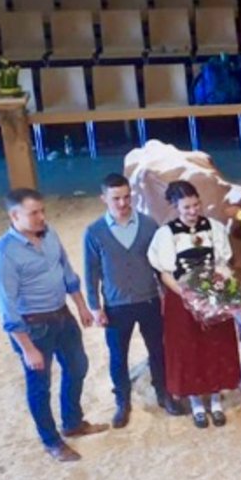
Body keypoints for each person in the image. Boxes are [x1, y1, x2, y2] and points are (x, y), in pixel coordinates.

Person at [0, 188, 105, 462]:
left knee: (78, 367)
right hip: (33, 327)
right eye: (34, 213)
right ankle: (51, 441)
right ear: (14, 216)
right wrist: (27, 348)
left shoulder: (50, 233)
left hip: (62, 316)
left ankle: (72, 422)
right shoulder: (3, 254)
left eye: (42, 211)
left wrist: (80, 305)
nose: (42, 217)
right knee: (40, 386)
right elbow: (7, 306)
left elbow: (66, 270)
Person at [147, 180, 241, 429]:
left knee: (216, 345)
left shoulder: (214, 228)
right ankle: (197, 404)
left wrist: (220, 288)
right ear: (175, 207)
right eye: (186, 207)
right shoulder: (166, 234)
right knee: (189, 349)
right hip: (183, 299)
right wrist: (188, 295)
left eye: (196, 205)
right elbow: (165, 273)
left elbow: (222, 262)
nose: (193, 211)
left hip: (213, 295)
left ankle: (216, 401)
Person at [83, 173, 177, 427]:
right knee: (118, 356)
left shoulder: (148, 225)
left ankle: (164, 393)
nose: (123, 203)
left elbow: (160, 264)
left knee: (158, 350)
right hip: (116, 306)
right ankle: (122, 401)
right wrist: (95, 307)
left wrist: (166, 295)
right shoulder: (94, 232)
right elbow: (91, 272)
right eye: (116, 198)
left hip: (149, 301)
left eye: (126, 197)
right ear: (103, 199)